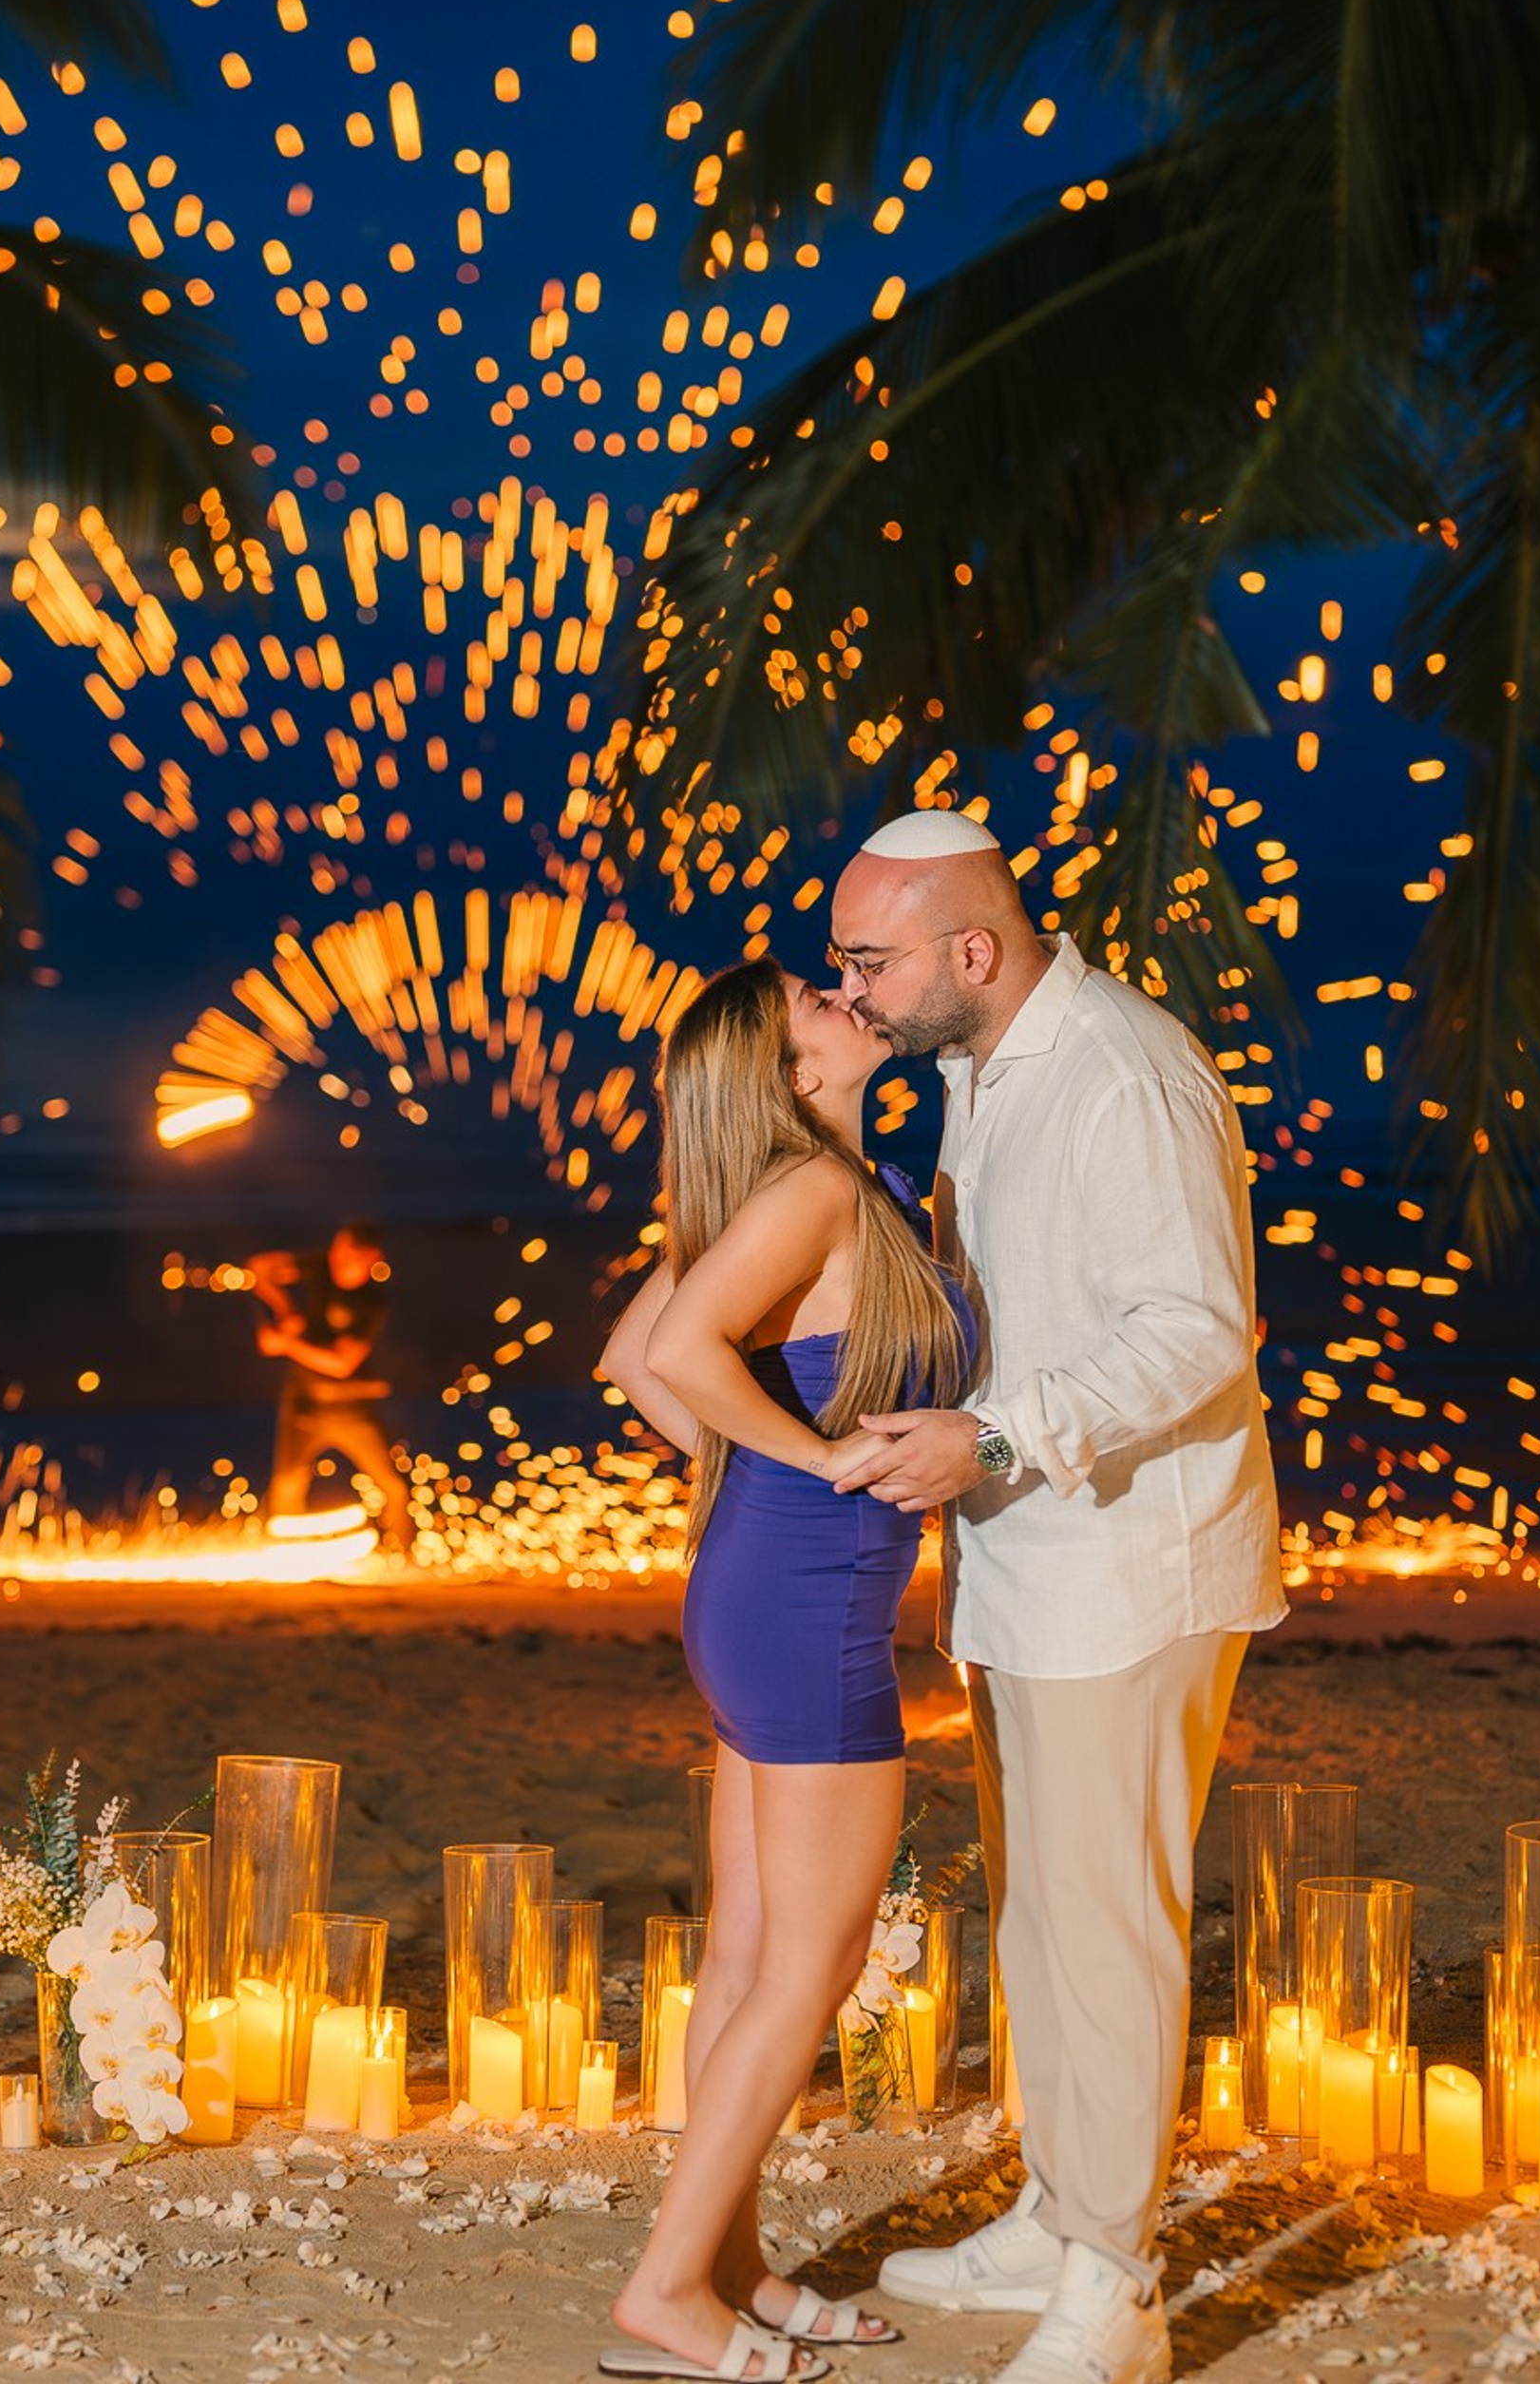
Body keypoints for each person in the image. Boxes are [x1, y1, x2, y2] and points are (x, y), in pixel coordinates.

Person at [825, 809, 1285, 2384]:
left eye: (869, 959)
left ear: (975, 947)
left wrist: (999, 1431)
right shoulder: (976, 1066)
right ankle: (1057, 2204)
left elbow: (1198, 1333)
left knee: (1111, 1924)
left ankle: (1117, 2281)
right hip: (1021, 1556)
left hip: (1127, 1567)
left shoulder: (1122, 1072)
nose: (852, 989)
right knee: (1039, 1910)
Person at [598, 959, 973, 2384]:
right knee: (805, 1968)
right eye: (817, 998)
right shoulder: (812, 1195)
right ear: (783, 1060)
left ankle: (730, 2266)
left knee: (754, 1957)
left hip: (762, 1583)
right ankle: (669, 2294)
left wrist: (761, 1473)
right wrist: (814, 1462)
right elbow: (680, 1349)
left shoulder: (807, 1187)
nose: (845, 996)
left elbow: (636, 1360)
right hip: (804, 1604)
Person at [256, 1220, 416, 1554]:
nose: (339, 1262)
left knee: (393, 1487)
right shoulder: (318, 1267)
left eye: (350, 1257)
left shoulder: (371, 1304)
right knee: (286, 1484)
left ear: (372, 1259)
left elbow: (341, 1364)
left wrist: (286, 1344)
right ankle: (284, 1553)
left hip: (352, 1410)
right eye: (337, 1252)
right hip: (303, 1405)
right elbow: (258, 1268)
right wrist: (284, 1311)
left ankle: (403, 1553)